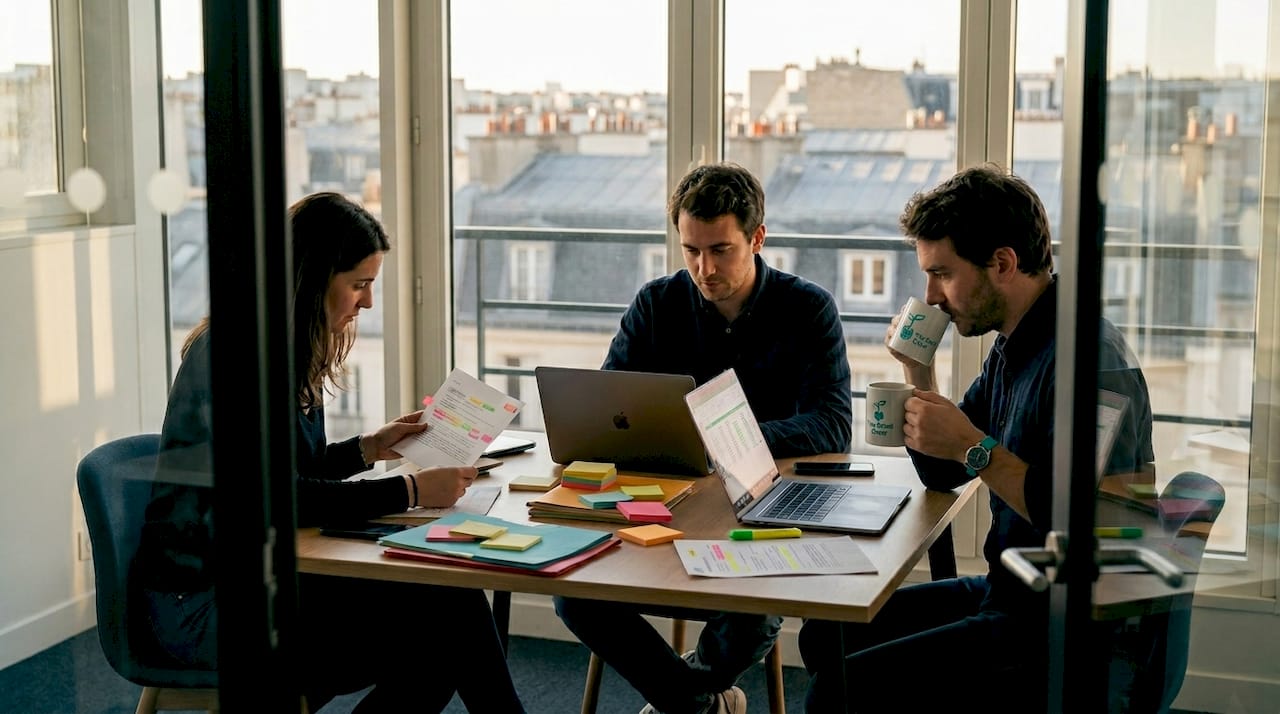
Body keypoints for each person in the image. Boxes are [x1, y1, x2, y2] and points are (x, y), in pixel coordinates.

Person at [136, 192, 526, 713]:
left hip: (268, 573)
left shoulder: (290, 349)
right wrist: (410, 489)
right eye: (359, 285)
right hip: (206, 602)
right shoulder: (236, 358)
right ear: (312, 278)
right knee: (448, 623)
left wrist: (370, 447)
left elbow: (292, 472)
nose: (367, 303)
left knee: (450, 612)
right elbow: (279, 498)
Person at [797, 164, 1154, 712]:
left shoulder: (1090, 362)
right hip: (1006, 588)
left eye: (941, 273)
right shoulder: (1014, 344)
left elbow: (1081, 522)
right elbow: (946, 469)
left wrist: (974, 447)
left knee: (835, 691)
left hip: (1057, 626)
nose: (931, 296)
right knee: (824, 635)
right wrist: (919, 373)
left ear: (1003, 263)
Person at [555, 162, 854, 714]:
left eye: (720, 250)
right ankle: (698, 704)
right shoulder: (656, 303)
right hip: (666, 503)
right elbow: (609, 409)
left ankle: (685, 697)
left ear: (757, 238)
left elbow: (832, 423)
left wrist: (727, 440)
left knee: (752, 609)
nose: (703, 267)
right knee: (574, 590)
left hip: (762, 507)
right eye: (691, 250)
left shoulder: (808, 308)